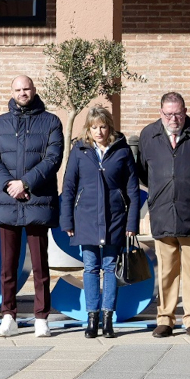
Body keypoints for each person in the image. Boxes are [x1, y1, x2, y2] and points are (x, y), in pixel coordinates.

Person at [0, 76, 64, 337]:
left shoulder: (51, 122)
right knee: (8, 266)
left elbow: (53, 158)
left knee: (40, 264)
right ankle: (9, 316)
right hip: (8, 201)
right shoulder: (0, 123)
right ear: (12, 92)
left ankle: (42, 317)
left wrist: (26, 183)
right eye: (18, 89)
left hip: (36, 201)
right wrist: (8, 184)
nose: (22, 93)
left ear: (34, 90)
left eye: (26, 89)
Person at [135, 92, 190, 338]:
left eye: (178, 113)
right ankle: (165, 319)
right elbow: (144, 173)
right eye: (168, 114)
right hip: (162, 211)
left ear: (185, 111)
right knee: (167, 271)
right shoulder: (149, 135)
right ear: (161, 113)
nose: (174, 118)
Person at [61, 106, 140, 339]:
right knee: (90, 268)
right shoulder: (79, 150)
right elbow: (68, 187)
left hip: (115, 218)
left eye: (103, 126)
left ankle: (108, 319)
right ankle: (91, 318)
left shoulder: (123, 151)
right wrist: (67, 220)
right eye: (94, 127)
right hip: (85, 218)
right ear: (88, 128)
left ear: (110, 127)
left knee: (109, 268)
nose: (99, 131)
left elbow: (133, 190)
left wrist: (132, 223)